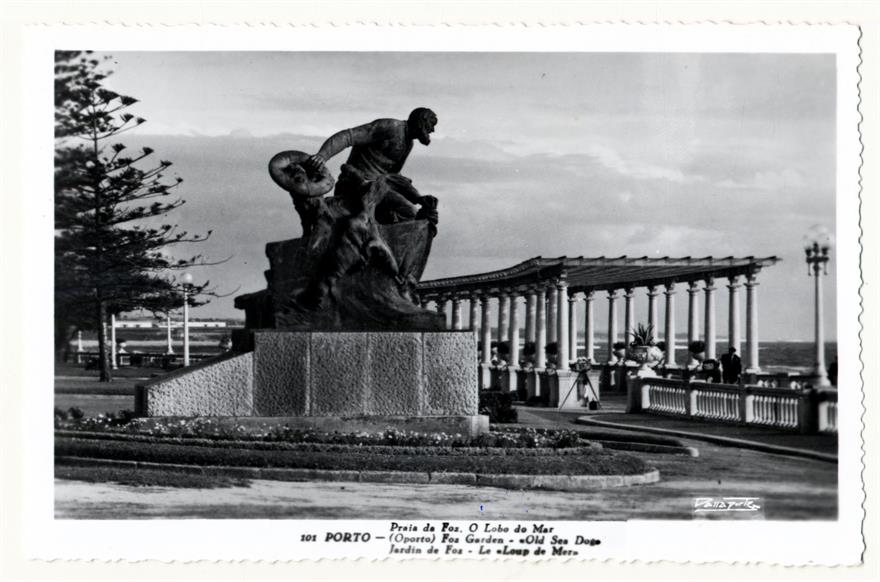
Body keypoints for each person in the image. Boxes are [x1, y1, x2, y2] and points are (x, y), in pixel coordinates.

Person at [305, 107, 439, 225]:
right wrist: (322, 156)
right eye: (431, 125)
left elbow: (393, 177)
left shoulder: (408, 144)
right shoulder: (391, 126)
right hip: (355, 184)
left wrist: (417, 197)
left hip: (379, 189)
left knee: (410, 213)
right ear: (422, 121)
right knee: (407, 212)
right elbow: (348, 136)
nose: (432, 130)